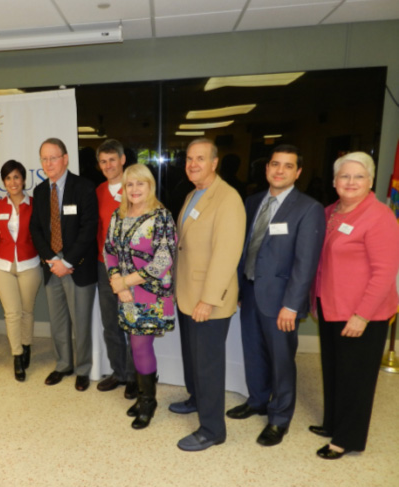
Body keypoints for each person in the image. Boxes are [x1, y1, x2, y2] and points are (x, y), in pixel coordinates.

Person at [226, 145, 326, 446]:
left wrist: (291, 306)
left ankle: (279, 418)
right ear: (266, 168)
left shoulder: (308, 208)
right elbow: (245, 250)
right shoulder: (252, 201)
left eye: (287, 166)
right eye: (274, 164)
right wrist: (242, 289)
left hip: (282, 301)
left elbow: (305, 263)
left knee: (282, 361)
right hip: (252, 292)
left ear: (298, 172)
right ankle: (257, 401)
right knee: (253, 352)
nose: (279, 170)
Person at [311, 151, 399, 459]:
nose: (350, 182)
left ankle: (346, 439)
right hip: (331, 305)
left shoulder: (379, 216)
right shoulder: (330, 211)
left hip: (363, 313)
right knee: (335, 369)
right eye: (344, 176)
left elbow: (385, 272)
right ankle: (333, 422)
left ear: (371, 181)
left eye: (358, 176)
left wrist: (362, 315)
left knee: (356, 378)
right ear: (334, 181)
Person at [172, 138, 246, 451]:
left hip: (207, 299)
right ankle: (196, 398)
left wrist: (209, 299)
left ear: (214, 163)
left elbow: (227, 255)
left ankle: (212, 429)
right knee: (193, 357)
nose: (193, 164)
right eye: (189, 158)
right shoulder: (193, 193)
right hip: (187, 292)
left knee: (208, 364)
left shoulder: (227, 199)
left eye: (200, 158)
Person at [104, 164, 177, 429]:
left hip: (151, 295)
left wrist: (126, 281)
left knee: (140, 345)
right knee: (134, 343)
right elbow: (109, 249)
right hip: (126, 295)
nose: (134, 189)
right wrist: (117, 282)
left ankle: (148, 402)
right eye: (130, 184)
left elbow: (163, 260)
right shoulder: (119, 214)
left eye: (140, 184)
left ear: (150, 186)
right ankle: (144, 395)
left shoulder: (161, 217)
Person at [29, 137, 98, 391]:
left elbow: (89, 228)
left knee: (80, 322)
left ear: (65, 159)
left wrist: (67, 261)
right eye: (44, 159)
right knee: (58, 321)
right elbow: (35, 229)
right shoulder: (39, 191)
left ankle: (82, 369)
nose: (49, 163)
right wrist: (51, 259)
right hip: (52, 267)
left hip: (76, 267)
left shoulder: (84, 187)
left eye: (53, 158)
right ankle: (63, 365)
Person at [0, 160, 42, 382]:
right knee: (12, 313)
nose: (13, 182)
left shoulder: (35, 205)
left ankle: (27, 345)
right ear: (3, 182)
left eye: (16, 177)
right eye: (8, 178)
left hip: (29, 263)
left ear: (23, 179)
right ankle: (17, 355)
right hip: (2, 265)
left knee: (27, 311)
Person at [94, 139, 137, 398]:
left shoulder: (135, 187)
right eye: (103, 161)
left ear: (122, 160)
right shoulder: (98, 192)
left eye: (113, 159)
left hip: (132, 269)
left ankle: (134, 375)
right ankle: (119, 371)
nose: (108, 165)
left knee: (132, 322)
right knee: (110, 323)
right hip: (104, 267)